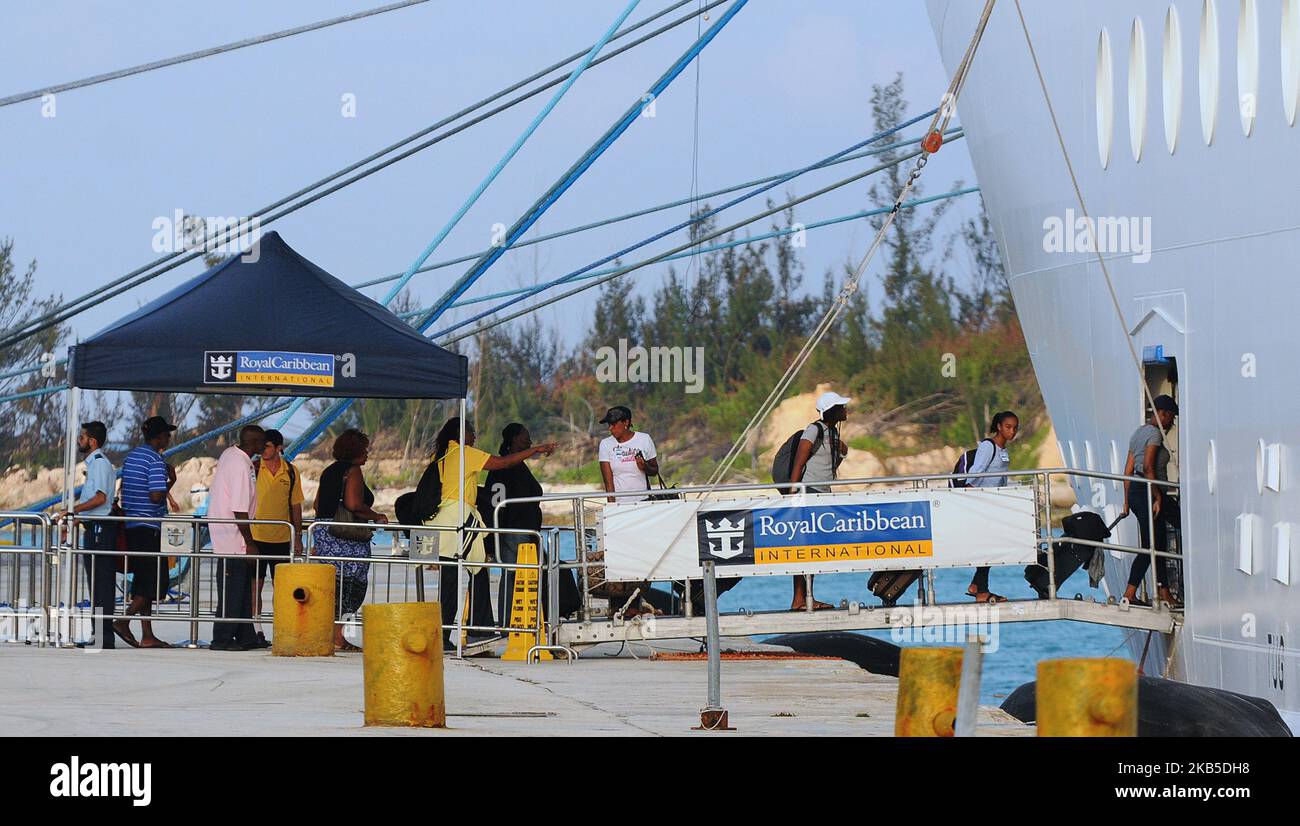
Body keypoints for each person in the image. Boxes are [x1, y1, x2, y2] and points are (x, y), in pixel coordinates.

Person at [426, 417, 556, 647]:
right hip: (459, 520)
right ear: (461, 434)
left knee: (470, 573)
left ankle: (473, 628)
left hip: (447, 520)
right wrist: (536, 450)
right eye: (472, 432)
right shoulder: (464, 453)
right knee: (461, 575)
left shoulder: (446, 455)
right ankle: (453, 633)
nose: (475, 436)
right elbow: (502, 463)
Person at [486, 423, 580, 627]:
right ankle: (511, 622)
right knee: (515, 575)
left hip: (522, 531)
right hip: (514, 530)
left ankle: (521, 619)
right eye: (526, 437)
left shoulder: (511, 466)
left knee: (523, 573)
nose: (529, 441)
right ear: (515, 440)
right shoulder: (506, 465)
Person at [312, 429, 387, 651]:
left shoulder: (329, 472)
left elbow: (317, 504)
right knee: (352, 585)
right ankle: (337, 635)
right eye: (365, 449)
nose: (368, 454)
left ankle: (332, 634)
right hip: (346, 537)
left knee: (333, 586)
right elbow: (354, 504)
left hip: (326, 532)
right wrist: (376, 516)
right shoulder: (353, 471)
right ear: (356, 451)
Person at [116, 415, 178, 648]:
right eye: (167, 434)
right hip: (149, 527)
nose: (169, 438)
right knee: (153, 581)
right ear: (160, 436)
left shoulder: (131, 457)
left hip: (132, 525)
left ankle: (147, 634)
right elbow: (155, 496)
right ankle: (123, 621)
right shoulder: (155, 460)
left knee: (143, 581)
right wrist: (171, 481)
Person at [787, 390, 851, 611]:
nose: (845, 409)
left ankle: (807, 597)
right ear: (832, 410)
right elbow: (800, 459)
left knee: (813, 548)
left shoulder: (831, 434)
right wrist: (793, 490)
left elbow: (831, 466)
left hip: (821, 493)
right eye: (842, 406)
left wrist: (842, 451)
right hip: (809, 492)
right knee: (804, 547)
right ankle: (799, 599)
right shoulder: (813, 430)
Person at [207, 426, 266, 652]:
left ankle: (244, 636)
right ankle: (222, 638)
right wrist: (250, 543)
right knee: (232, 590)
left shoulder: (231, 454)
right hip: (232, 538)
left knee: (241, 589)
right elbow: (239, 509)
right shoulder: (241, 464)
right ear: (256, 442)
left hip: (229, 535)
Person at [1120, 395, 1180, 606]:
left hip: (1137, 490)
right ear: (1161, 413)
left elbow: (1127, 470)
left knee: (1158, 540)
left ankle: (1163, 591)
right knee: (1152, 543)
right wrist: (1157, 497)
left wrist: (1126, 502)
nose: (1172, 422)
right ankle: (1130, 594)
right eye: (1171, 417)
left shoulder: (1138, 432)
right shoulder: (1154, 434)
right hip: (1148, 491)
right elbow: (1147, 467)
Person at [250, 429, 304, 648]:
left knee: (281, 588)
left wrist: (298, 536)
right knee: (256, 586)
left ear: (279, 447)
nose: (262, 450)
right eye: (261, 446)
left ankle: (282, 629)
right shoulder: (253, 468)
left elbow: (295, 505)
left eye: (267, 446)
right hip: (256, 536)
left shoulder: (291, 471)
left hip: (282, 538)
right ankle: (257, 629)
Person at [67, 421, 118, 650]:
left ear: (93, 441)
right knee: (97, 585)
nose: (80, 440)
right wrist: (74, 520)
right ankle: (99, 635)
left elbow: (100, 499)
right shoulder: (96, 463)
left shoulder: (98, 464)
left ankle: (103, 637)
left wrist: (74, 510)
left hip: (100, 531)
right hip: (95, 527)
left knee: (101, 585)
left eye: (82, 437)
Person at [963, 411, 1020, 603]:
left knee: (991, 545)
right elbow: (977, 470)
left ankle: (977, 586)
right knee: (989, 546)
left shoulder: (1004, 451)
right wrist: (968, 491)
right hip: (981, 502)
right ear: (999, 427)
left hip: (994, 503)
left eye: (1014, 428)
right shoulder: (988, 446)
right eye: (1008, 427)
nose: (1011, 432)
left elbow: (1001, 477)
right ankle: (981, 590)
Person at [597, 406, 658, 504]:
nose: (610, 428)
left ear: (626, 422)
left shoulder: (644, 439)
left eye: (614, 424)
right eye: (609, 425)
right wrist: (612, 507)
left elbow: (655, 470)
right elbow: (608, 483)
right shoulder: (605, 444)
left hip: (644, 501)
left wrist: (644, 467)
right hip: (620, 502)